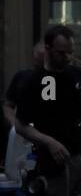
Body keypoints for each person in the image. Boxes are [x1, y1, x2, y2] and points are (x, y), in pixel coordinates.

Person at [11, 26, 81, 196]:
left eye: (70, 52)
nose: (67, 57)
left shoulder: (77, 75)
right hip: (54, 160)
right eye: (62, 52)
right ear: (48, 49)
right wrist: (49, 142)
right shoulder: (34, 81)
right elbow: (22, 125)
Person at [3, 42, 45, 180]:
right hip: (22, 133)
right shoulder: (21, 77)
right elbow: (8, 105)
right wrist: (14, 125)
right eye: (38, 58)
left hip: (47, 135)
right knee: (19, 173)